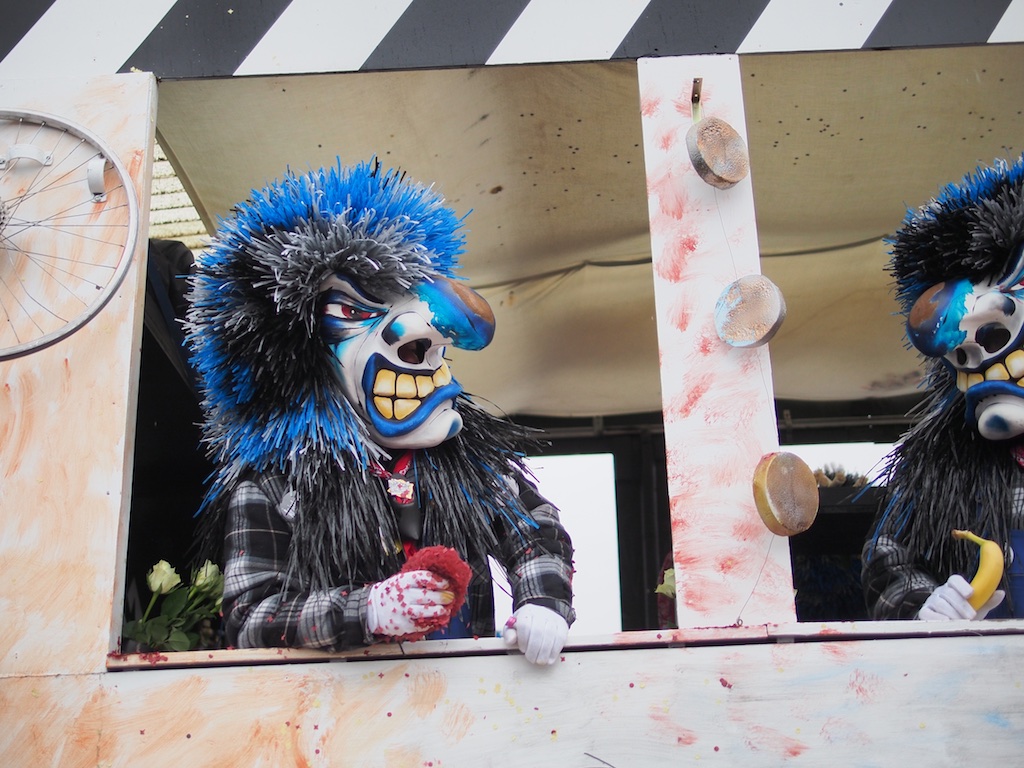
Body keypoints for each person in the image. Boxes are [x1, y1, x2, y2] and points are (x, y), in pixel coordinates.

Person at [186, 160, 574, 664]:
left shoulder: (467, 466)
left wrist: (543, 601)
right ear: (292, 350)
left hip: (466, 697)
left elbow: (534, 527)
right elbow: (251, 617)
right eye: (352, 311)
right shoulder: (274, 484)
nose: (423, 342)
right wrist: (366, 610)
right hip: (339, 708)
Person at [862, 154, 1024, 621]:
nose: (970, 350)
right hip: (987, 667)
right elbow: (889, 559)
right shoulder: (939, 463)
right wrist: (921, 609)